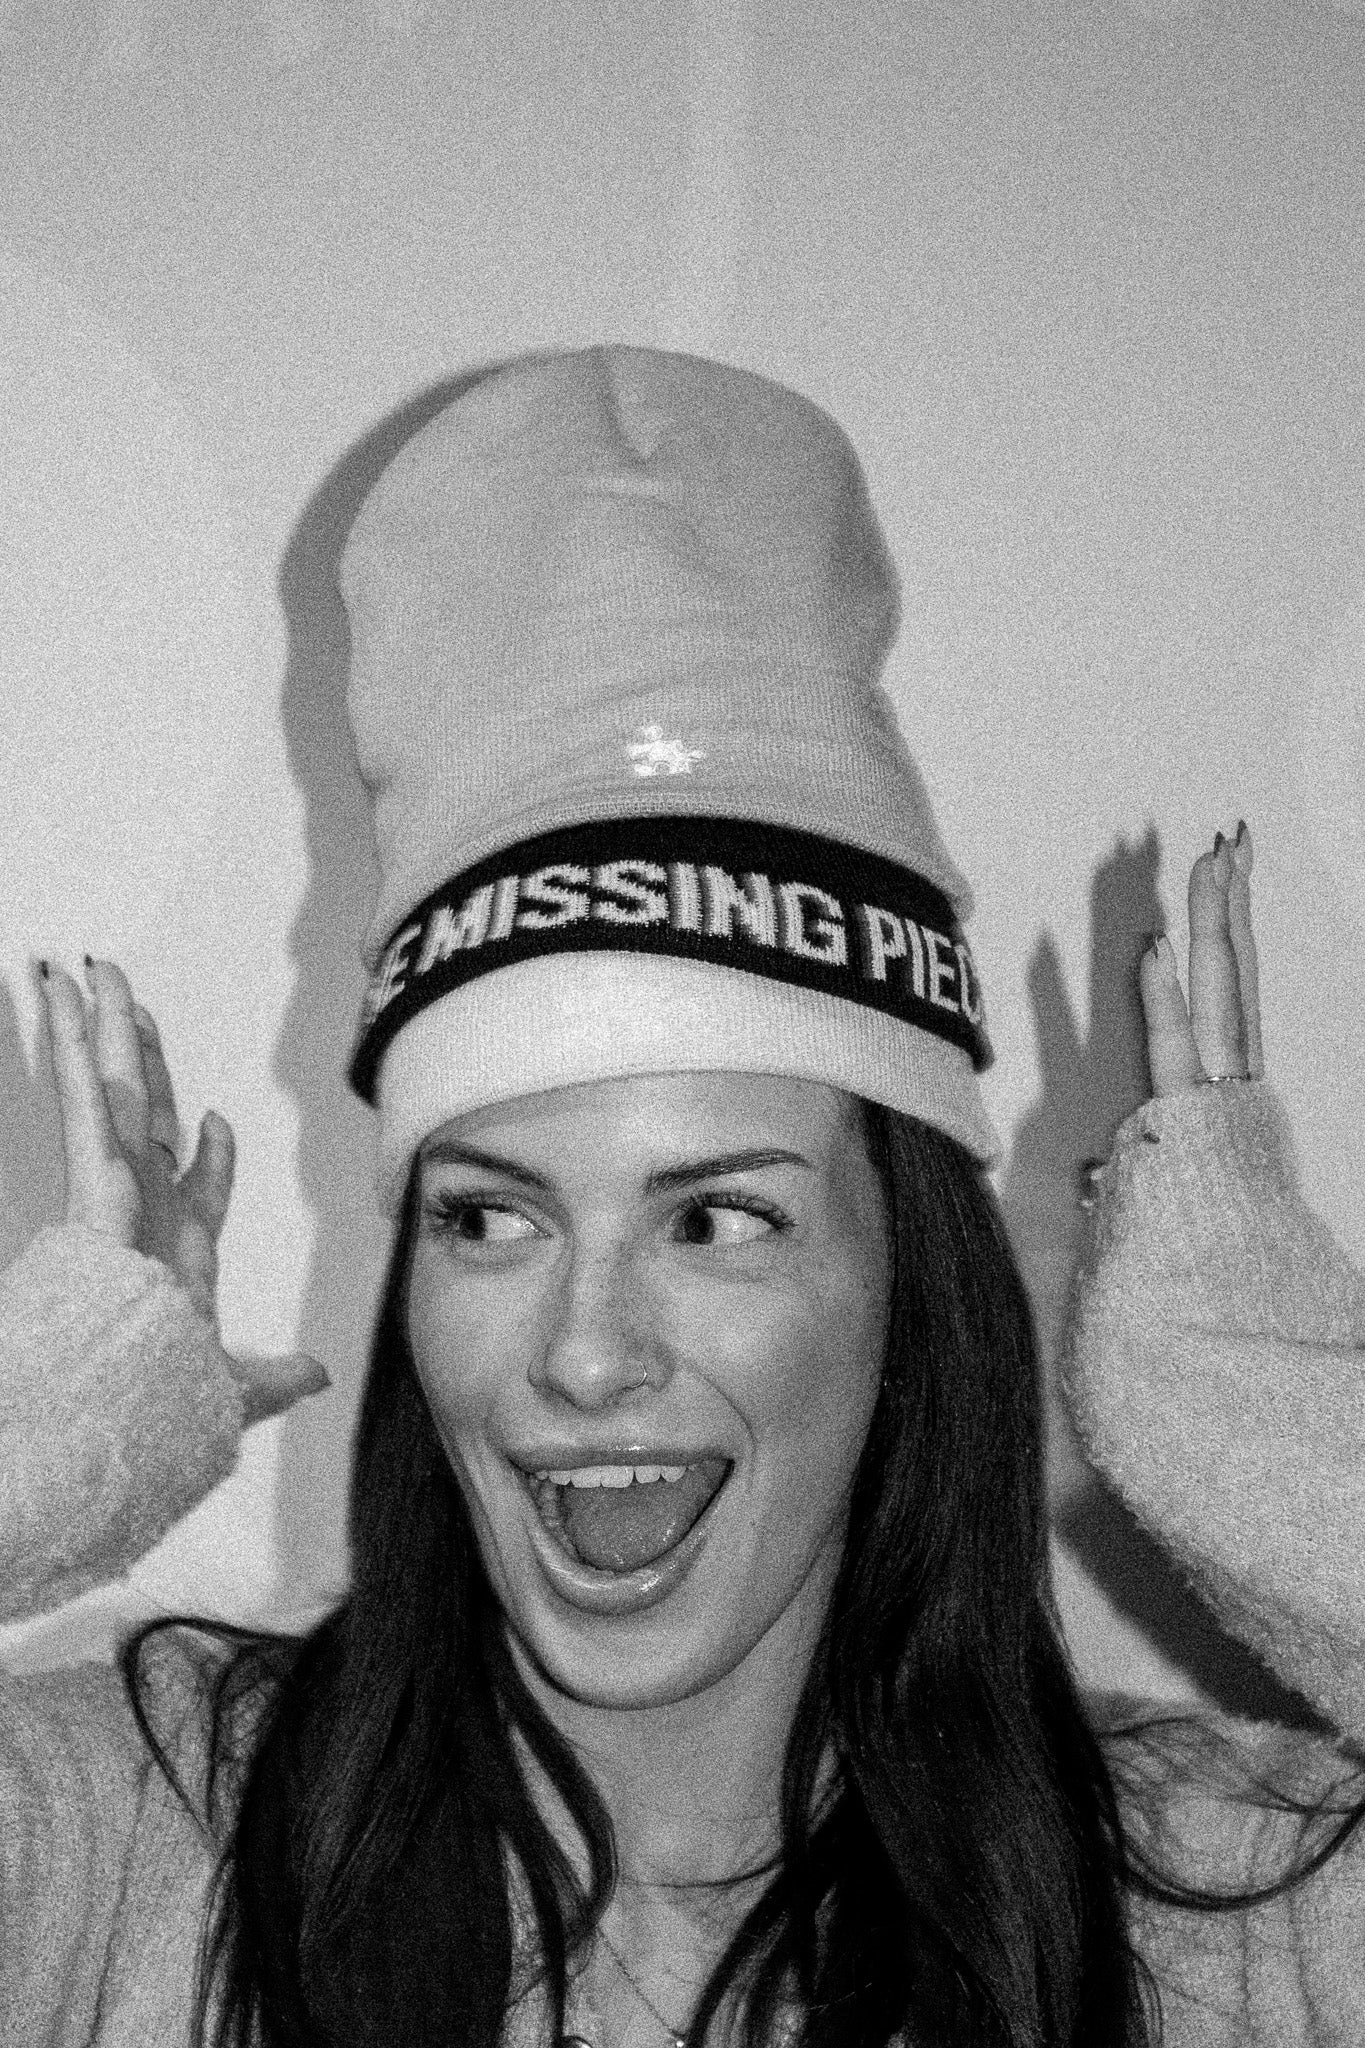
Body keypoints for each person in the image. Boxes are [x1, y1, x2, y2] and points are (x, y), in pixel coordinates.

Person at [1, 347, 1362, 2048]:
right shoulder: (126, 1847)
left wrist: (1241, 1399)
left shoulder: (1235, 1912)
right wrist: (39, 1446)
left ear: (905, 1284)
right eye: (490, 1217)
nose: (583, 1353)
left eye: (715, 1219)